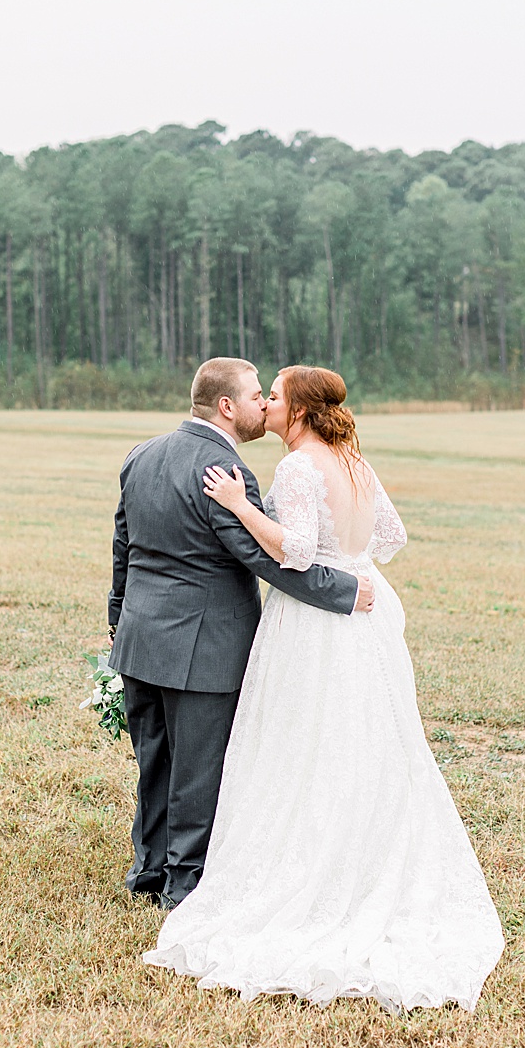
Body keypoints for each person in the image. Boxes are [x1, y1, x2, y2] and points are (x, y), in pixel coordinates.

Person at [143, 365, 504, 1014]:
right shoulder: (353, 461)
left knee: (304, 741)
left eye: (275, 396)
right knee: (366, 738)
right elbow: (391, 537)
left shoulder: (297, 468)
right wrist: (355, 560)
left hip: (317, 622)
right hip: (372, 613)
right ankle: (367, 859)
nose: (267, 405)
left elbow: (300, 553)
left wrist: (239, 507)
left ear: (300, 410)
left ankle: (317, 873)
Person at [109, 357, 374, 910]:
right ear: (226, 407)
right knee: (199, 771)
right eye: (257, 395)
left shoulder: (142, 454)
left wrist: (118, 620)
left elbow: (124, 549)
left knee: (154, 760)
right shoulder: (226, 474)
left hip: (139, 640)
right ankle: (183, 886)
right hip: (204, 648)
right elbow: (267, 558)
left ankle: (148, 871)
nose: (263, 404)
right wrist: (344, 592)